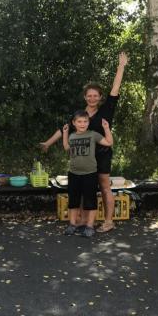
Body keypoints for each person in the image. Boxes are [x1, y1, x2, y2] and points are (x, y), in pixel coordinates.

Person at [39, 52, 128, 233]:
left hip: (101, 155)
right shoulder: (80, 115)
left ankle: (108, 221)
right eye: (89, 96)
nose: (92, 98)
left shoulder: (106, 110)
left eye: (95, 96)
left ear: (100, 97)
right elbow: (63, 129)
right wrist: (48, 143)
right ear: (85, 97)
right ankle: (80, 220)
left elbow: (115, 88)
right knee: (81, 187)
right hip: (82, 158)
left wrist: (122, 66)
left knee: (103, 185)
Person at [62, 111, 114, 238]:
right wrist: (64, 133)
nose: (82, 124)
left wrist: (106, 128)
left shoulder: (93, 135)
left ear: (88, 122)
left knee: (90, 201)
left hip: (90, 174)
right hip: (73, 173)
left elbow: (109, 142)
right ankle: (72, 224)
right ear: (74, 123)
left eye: (85, 121)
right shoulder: (72, 136)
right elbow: (66, 148)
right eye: (79, 121)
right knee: (73, 201)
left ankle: (90, 226)